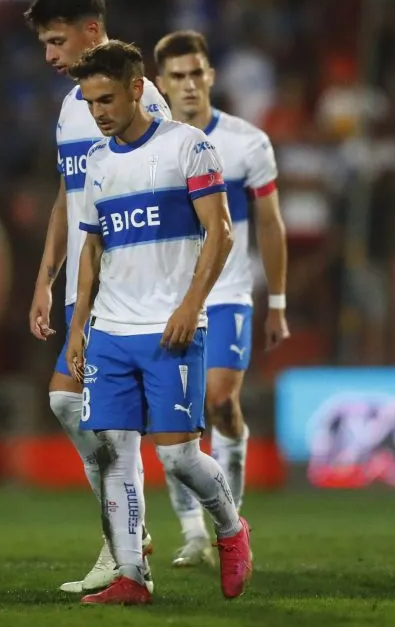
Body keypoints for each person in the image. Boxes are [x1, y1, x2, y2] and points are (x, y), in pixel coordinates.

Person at [65, 41, 253, 606]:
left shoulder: (186, 147)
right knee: (112, 451)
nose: (97, 112)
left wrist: (192, 304)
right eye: (89, 102)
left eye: (106, 99)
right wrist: (78, 325)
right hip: (112, 330)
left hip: (172, 326)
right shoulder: (97, 163)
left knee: (176, 455)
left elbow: (220, 231)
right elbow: (92, 249)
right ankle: (131, 575)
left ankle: (230, 527)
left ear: (137, 89)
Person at [23, 0, 171, 595]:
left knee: (90, 413)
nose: (50, 56)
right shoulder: (71, 106)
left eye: (57, 41)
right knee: (75, 408)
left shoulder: (142, 102)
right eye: (45, 45)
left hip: (126, 287)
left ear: (91, 30)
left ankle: (129, 543)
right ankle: (128, 537)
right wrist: (44, 278)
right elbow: (70, 195)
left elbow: (165, 197)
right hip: (84, 286)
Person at [151, 30, 290, 567]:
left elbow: (271, 224)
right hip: (167, 294)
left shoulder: (247, 141)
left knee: (219, 401)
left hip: (228, 291)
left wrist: (276, 300)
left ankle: (226, 518)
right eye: (177, 77)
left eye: (196, 73)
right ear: (160, 84)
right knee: (175, 416)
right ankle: (192, 532)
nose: (188, 84)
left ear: (210, 76)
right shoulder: (153, 146)